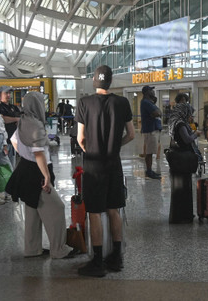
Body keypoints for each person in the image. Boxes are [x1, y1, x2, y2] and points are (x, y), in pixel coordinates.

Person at [75, 65, 135, 277]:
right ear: (110, 82)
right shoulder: (122, 102)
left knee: (94, 212)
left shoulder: (84, 102)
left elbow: (80, 138)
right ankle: (116, 257)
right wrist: (115, 146)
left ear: (94, 81)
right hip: (113, 163)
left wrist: (91, 149)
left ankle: (98, 261)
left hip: (93, 165)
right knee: (113, 209)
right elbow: (131, 134)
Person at [5, 91, 73, 259]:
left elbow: (13, 140)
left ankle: (32, 248)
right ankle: (59, 249)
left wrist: (24, 153)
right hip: (37, 171)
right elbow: (39, 154)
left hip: (24, 169)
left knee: (33, 209)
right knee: (57, 208)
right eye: (41, 103)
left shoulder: (23, 121)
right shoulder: (35, 124)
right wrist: (46, 176)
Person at [167, 103, 201, 223]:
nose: (191, 116)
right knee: (182, 189)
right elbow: (186, 139)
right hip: (182, 160)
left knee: (180, 189)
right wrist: (195, 134)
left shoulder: (176, 122)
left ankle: (182, 215)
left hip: (178, 160)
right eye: (190, 114)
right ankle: (183, 216)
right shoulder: (180, 124)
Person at [140, 85, 162, 179]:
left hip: (153, 129)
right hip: (150, 130)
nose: (153, 92)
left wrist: (157, 110)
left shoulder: (150, 102)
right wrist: (157, 112)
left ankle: (150, 170)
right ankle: (149, 171)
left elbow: (159, 112)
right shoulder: (146, 102)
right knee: (149, 152)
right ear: (147, 92)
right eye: (151, 90)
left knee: (151, 151)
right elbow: (157, 113)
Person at [0, 86, 21, 168]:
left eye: (9, 93)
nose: (8, 95)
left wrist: (17, 120)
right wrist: (16, 119)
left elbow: (20, 119)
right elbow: (3, 119)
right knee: (4, 166)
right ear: (0, 94)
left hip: (13, 139)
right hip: (2, 141)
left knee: (12, 164)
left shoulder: (14, 107)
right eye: (6, 93)